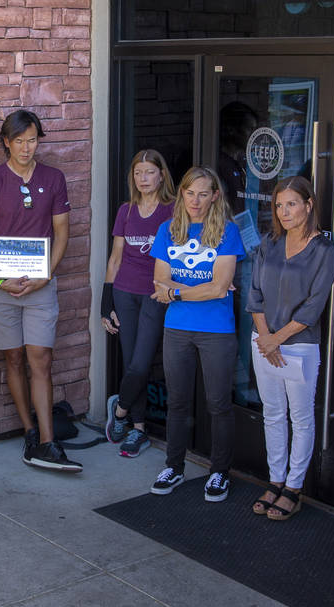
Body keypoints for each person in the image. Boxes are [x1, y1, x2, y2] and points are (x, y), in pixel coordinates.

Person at [0, 109, 78, 472]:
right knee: (13, 358)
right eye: (19, 141)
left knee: (41, 360)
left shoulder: (54, 178)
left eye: (32, 140)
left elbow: (62, 232)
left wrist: (46, 274)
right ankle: (30, 431)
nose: (26, 147)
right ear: (6, 142)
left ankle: (49, 443)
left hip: (40, 283)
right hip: (1, 284)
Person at [149, 166, 245, 499]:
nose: (196, 200)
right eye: (190, 193)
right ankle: (173, 467)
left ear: (215, 196)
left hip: (216, 330)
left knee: (218, 403)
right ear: (182, 195)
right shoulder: (167, 229)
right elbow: (159, 281)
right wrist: (201, 287)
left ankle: (219, 472)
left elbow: (219, 289)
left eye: (204, 193)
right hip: (176, 328)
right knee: (176, 402)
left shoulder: (227, 232)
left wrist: (176, 291)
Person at [245, 176, 334, 520]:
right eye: (279, 205)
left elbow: (314, 307)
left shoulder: (323, 250)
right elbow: (254, 293)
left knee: (300, 418)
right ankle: (275, 480)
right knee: (272, 414)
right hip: (263, 340)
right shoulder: (269, 243)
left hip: (297, 347)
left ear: (309, 205)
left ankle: (294, 488)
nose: (284, 211)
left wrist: (275, 339)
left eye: (292, 204)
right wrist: (265, 336)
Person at [101, 149, 176, 457]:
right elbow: (116, 257)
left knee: (141, 362)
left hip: (155, 293)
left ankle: (119, 411)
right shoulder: (126, 211)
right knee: (133, 360)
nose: (143, 178)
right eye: (138, 173)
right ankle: (139, 429)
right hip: (124, 291)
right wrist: (106, 302)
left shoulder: (172, 211)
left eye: (149, 172)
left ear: (161, 175)